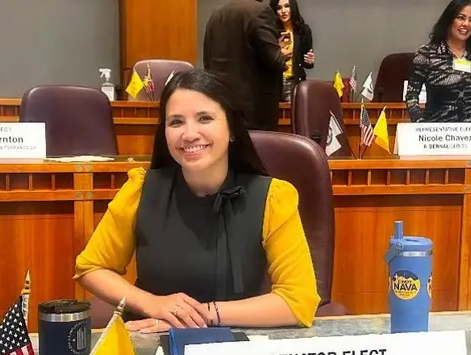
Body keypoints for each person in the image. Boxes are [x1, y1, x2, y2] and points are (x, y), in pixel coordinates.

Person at [75, 70, 320, 332]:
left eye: (205, 118)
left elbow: (298, 301)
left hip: (235, 344)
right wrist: (151, 304)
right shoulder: (139, 190)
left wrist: (200, 315)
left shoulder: (273, 198)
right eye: (176, 122)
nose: (189, 134)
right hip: (148, 344)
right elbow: (92, 268)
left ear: (233, 129)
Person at [203, 0, 286, 131]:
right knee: (258, 149)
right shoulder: (260, 11)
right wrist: (283, 53)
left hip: (220, 101)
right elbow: (275, 60)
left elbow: (207, 60)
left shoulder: (216, 14)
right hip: (254, 108)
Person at [407, 0, 471, 122]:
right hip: (437, 134)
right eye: (461, 18)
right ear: (449, 20)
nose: (466, 24)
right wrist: (419, 124)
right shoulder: (427, 54)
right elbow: (411, 96)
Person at [270, 0, 316, 102]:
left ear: (293, 8)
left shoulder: (303, 30)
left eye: (287, 6)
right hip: (273, 83)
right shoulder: (270, 31)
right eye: (279, 8)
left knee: (293, 115)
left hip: (294, 81)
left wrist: (310, 61)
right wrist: (278, 53)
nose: (283, 11)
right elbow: (264, 59)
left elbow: (306, 63)